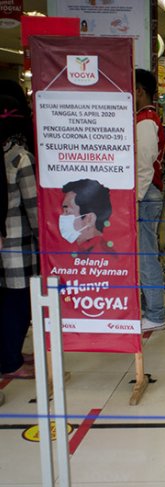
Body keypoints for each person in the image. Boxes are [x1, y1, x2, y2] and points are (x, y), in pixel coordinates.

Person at [0, 95, 38, 380]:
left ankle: (9, 353)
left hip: (4, 243)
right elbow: (33, 205)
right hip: (17, 244)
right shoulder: (19, 157)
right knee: (18, 303)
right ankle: (10, 360)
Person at [135, 69, 165, 332]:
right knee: (145, 254)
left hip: (145, 195)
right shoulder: (144, 119)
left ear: (139, 90)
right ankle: (150, 309)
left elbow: (144, 166)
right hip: (147, 193)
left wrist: (134, 199)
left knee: (146, 256)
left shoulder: (146, 120)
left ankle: (155, 313)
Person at [60, 179, 114, 255]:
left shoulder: (102, 255)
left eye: (67, 211)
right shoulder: (81, 251)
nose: (62, 216)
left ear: (89, 219)